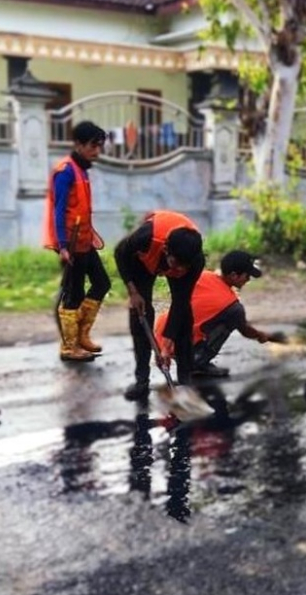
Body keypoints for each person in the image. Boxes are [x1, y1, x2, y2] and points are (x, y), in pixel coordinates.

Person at [114, 210, 205, 401]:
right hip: (143, 261)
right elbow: (120, 252)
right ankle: (142, 381)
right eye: (175, 263)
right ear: (166, 250)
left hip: (173, 260)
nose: (178, 269)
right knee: (140, 315)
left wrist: (166, 344)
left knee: (184, 318)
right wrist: (133, 291)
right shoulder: (145, 238)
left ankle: (185, 381)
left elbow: (180, 302)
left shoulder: (194, 261)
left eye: (184, 266)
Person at [153, 250, 283, 379]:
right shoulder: (231, 305)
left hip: (162, 334)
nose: (248, 279)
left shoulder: (203, 275)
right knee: (232, 318)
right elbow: (246, 330)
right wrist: (263, 336)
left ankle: (189, 359)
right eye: (247, 275)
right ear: (233, 275)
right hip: (178, 344)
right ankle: (196, 362)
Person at [44, 121, 111, 363]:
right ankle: (69, 346)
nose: (97, 151)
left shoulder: (82, 170)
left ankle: (82, 335)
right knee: (73, 294)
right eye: (93, 146)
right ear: (79, 144)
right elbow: (59, 211)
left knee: (102, 283)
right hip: (70, 245)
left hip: (85, 242)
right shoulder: (66, 171)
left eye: (99, 146)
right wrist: (62, 246)